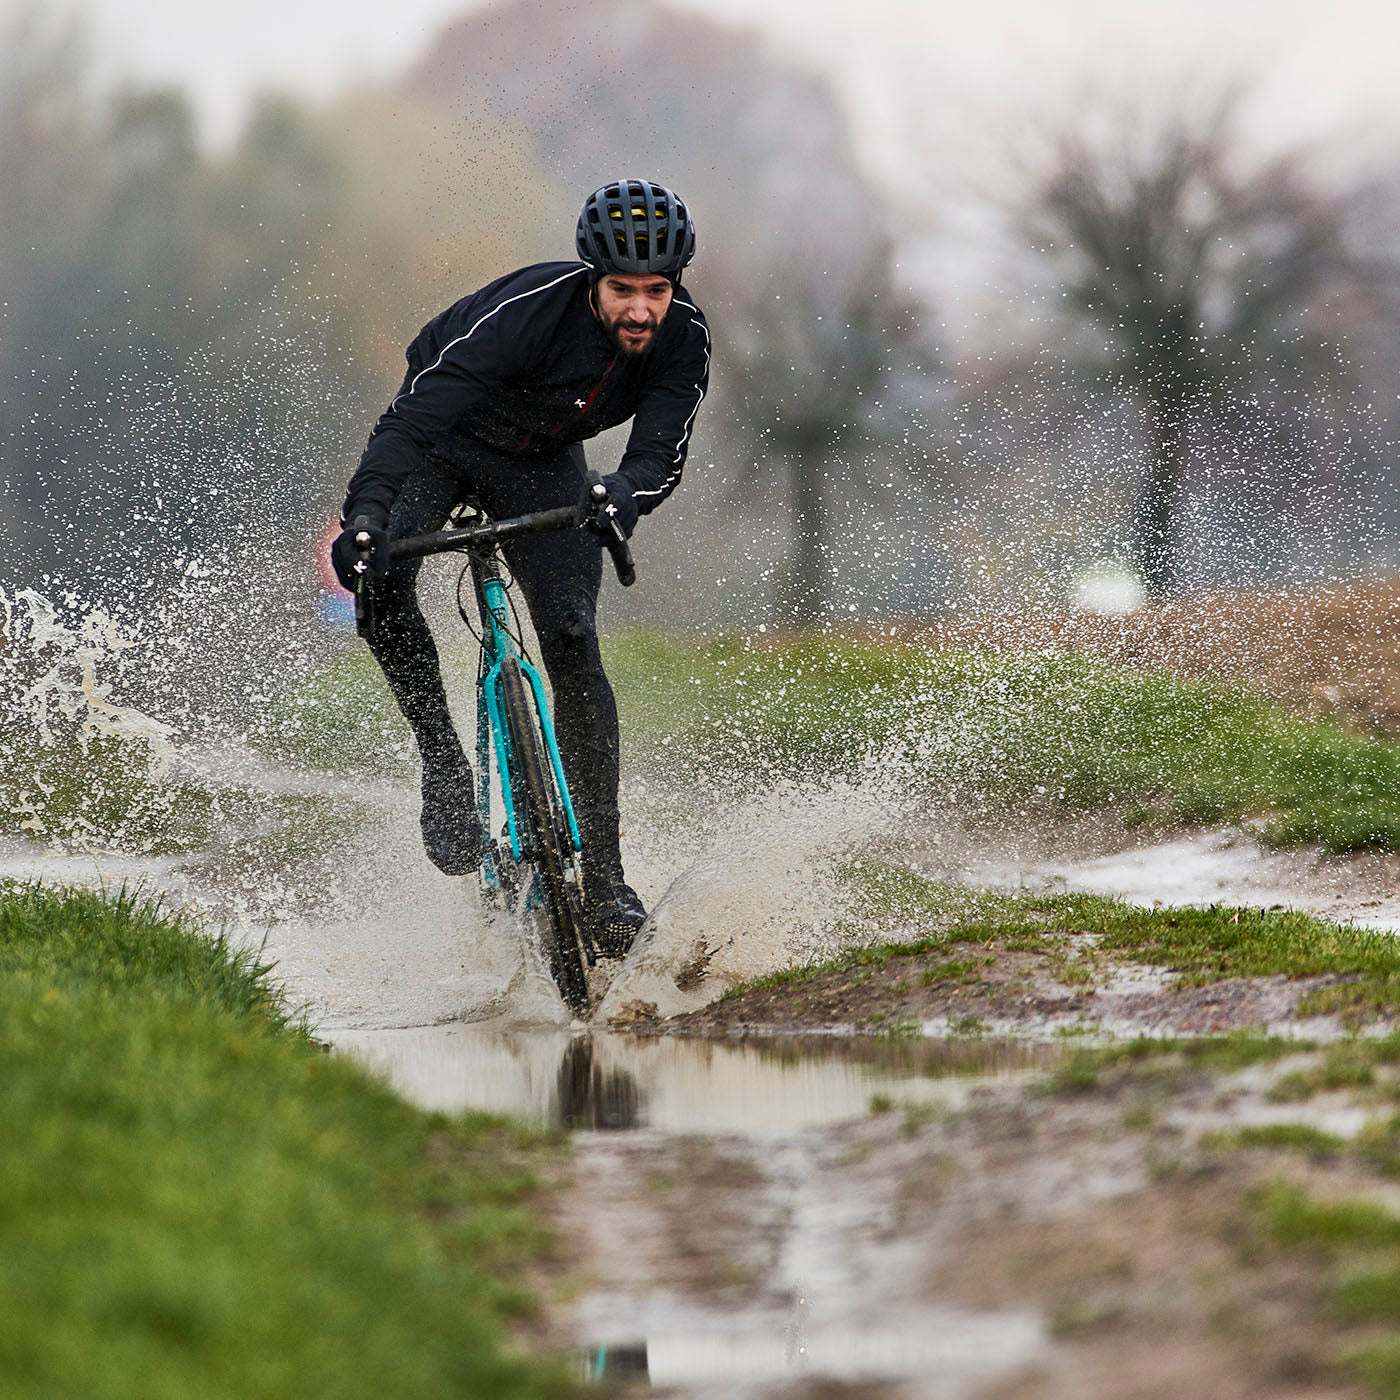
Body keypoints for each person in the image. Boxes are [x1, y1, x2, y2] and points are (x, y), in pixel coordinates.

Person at [329, 180, 710, 955]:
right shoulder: (531, 317)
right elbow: (410, 422)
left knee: (571, 635)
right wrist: (365, 516)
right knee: (383, 576)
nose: (641, 309)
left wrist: (621, 494)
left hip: (540, 461)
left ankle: (606, 884)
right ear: (591, 279)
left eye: (657, 291)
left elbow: (656, 454)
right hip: (446, 439)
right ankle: (441, 761)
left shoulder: (684, 340)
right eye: (622, 290)